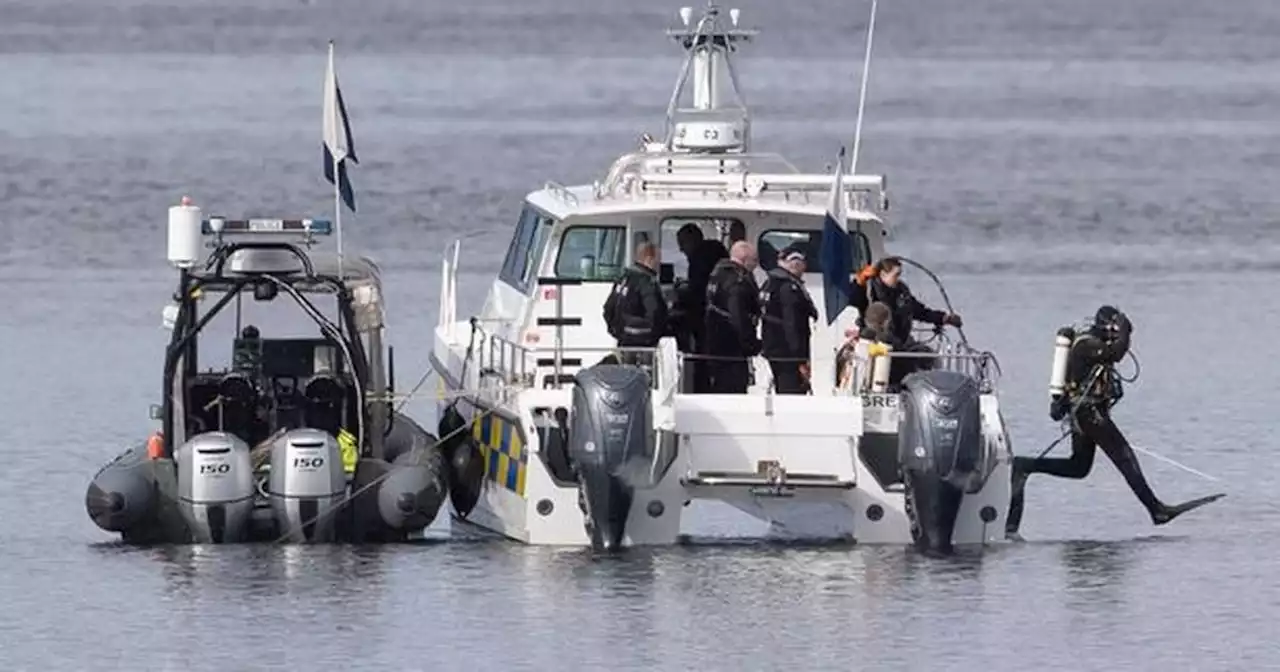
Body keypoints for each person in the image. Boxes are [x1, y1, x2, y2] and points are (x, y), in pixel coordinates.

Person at [1005, 306, 1225, 540]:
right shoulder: (1086, 345)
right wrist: (1125, 330)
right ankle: (1156, 510)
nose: (1115, 336)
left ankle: (1024, 466)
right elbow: (1115, 353)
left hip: (1087, 414)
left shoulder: (1096, 345)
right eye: (1114, 330)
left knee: (1079, 467)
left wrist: (1123, 331)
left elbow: (1111, 356)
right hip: (1089, 414)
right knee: (1124, 456)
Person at [673, 224, 729, 392]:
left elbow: (698, 292)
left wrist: (681, 304)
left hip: (705, 319)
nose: (681, 249)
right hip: (718, 319)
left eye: (683, 243)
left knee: (704, 359)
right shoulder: (715, 254)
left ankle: (701, 390)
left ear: (693, 240)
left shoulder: (700, 260)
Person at [703, 241, 761, 393]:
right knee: (733, 388)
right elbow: (738, 316)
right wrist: (751, 344)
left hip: (714, 340)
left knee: (719, 384)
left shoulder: (718, 274)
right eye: (754, 260)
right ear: (744, 259)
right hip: (731, 345)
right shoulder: (737, 281)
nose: (755, 265)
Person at [759, 244, 818, 394]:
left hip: (775, 349)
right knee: (792, 393)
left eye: (800, 261)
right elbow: (792, 324)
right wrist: (799, 359)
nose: (797, 264)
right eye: (793, 260)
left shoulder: (770, 282)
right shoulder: (788, 288)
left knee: (784, 389)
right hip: (787, 354)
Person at [602, 242, 668, 369]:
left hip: (623, 343)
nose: (659, 264)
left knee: (625, 377)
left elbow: (608, 309)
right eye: (657, 260)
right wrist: (657, 333)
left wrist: (618, 332)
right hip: (643, 347)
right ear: (649, 259)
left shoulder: (623, 279)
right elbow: (654, 312)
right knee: (644, 380)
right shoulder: (646, 282)